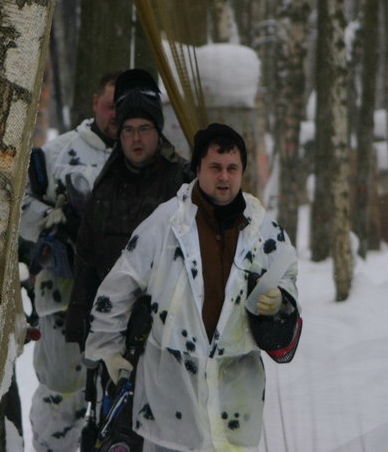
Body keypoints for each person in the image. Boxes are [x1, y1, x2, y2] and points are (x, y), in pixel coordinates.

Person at [83, 123, 300, 452]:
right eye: (215, 168)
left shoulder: (263, 229)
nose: (224, 178)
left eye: (232, 168)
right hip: (170, 392)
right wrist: (108, 350)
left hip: (236, 394)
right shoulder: (167, 223)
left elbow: (289, 273)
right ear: (197, 168)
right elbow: (118, 287)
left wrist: (281, 300)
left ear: (243, 171)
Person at [15, 70, 121, 452]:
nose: (116, 115)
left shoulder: (145, 159)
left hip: (123, 305)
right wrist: (52, 223)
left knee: (122, 405)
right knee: (61, 394)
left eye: (124, 107)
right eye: (111, 105)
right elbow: (18, 208)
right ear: (95, 103)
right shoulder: (56, 156)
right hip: (62, 299)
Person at [64, 68, 193, 348]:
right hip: (111, 327)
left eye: (144, 129)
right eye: (128, 130)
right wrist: (80, 323)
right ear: (119, 135)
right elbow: (86, 258)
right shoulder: (105, 186)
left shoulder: (183, 181)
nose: (136, 139)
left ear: (157, 132)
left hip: (168, 331)